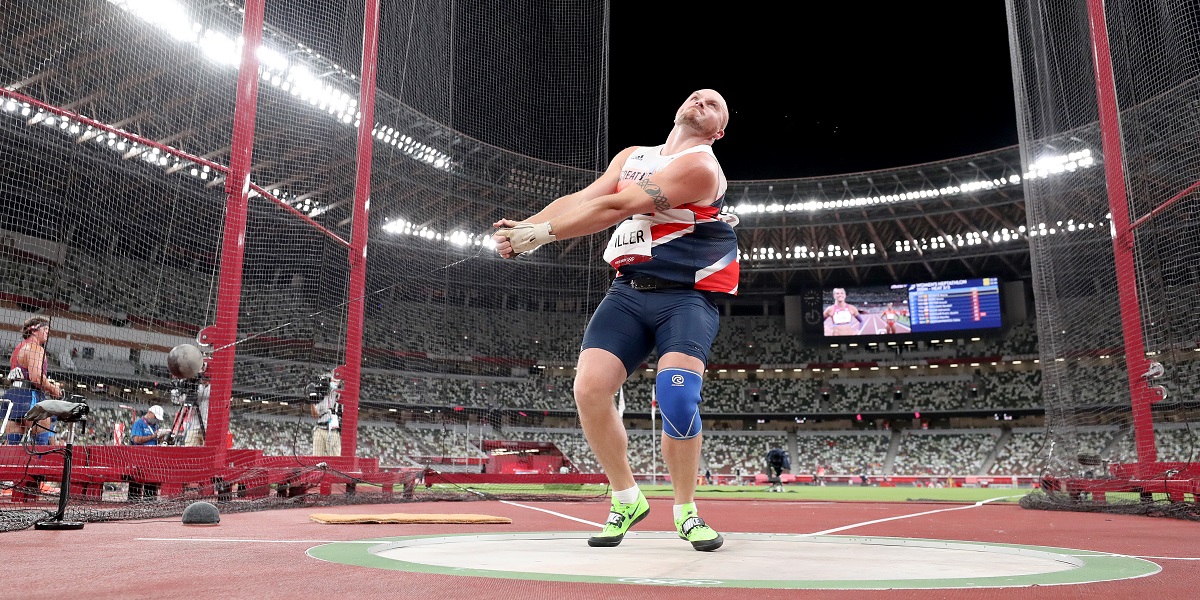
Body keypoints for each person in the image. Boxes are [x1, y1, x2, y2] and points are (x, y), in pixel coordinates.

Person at [492, 89, 737, 552]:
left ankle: (686, 512)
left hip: (685, 299)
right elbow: (585, 198)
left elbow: (615, 209)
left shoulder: (701, 166)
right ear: (679, 106)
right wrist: (521, 226)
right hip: (627, 292)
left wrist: (538, 236)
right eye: (697, 95)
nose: (702, 100)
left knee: (677, 398)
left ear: (718, 130)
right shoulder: (632, 156)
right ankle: (626, 498)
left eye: (714, 104)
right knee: (588, 390)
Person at [4, 316, 63, 445]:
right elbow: (36, 378)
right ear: (35, 330)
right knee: (41, 445)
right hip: (30, 395)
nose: (48, 332)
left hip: (12, 396)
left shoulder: (17, 349)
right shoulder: (35, 348)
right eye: (45, 328)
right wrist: (53, 388)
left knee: (11, 449)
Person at [310, 376, 341, 456]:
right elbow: (315, 415)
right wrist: (312, 402)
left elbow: (338, 383)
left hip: (333, 430)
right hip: (320, 429)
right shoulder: (319, 398)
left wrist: (330, 379)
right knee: (316, 458)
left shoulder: (334, 393)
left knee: (335, 460)